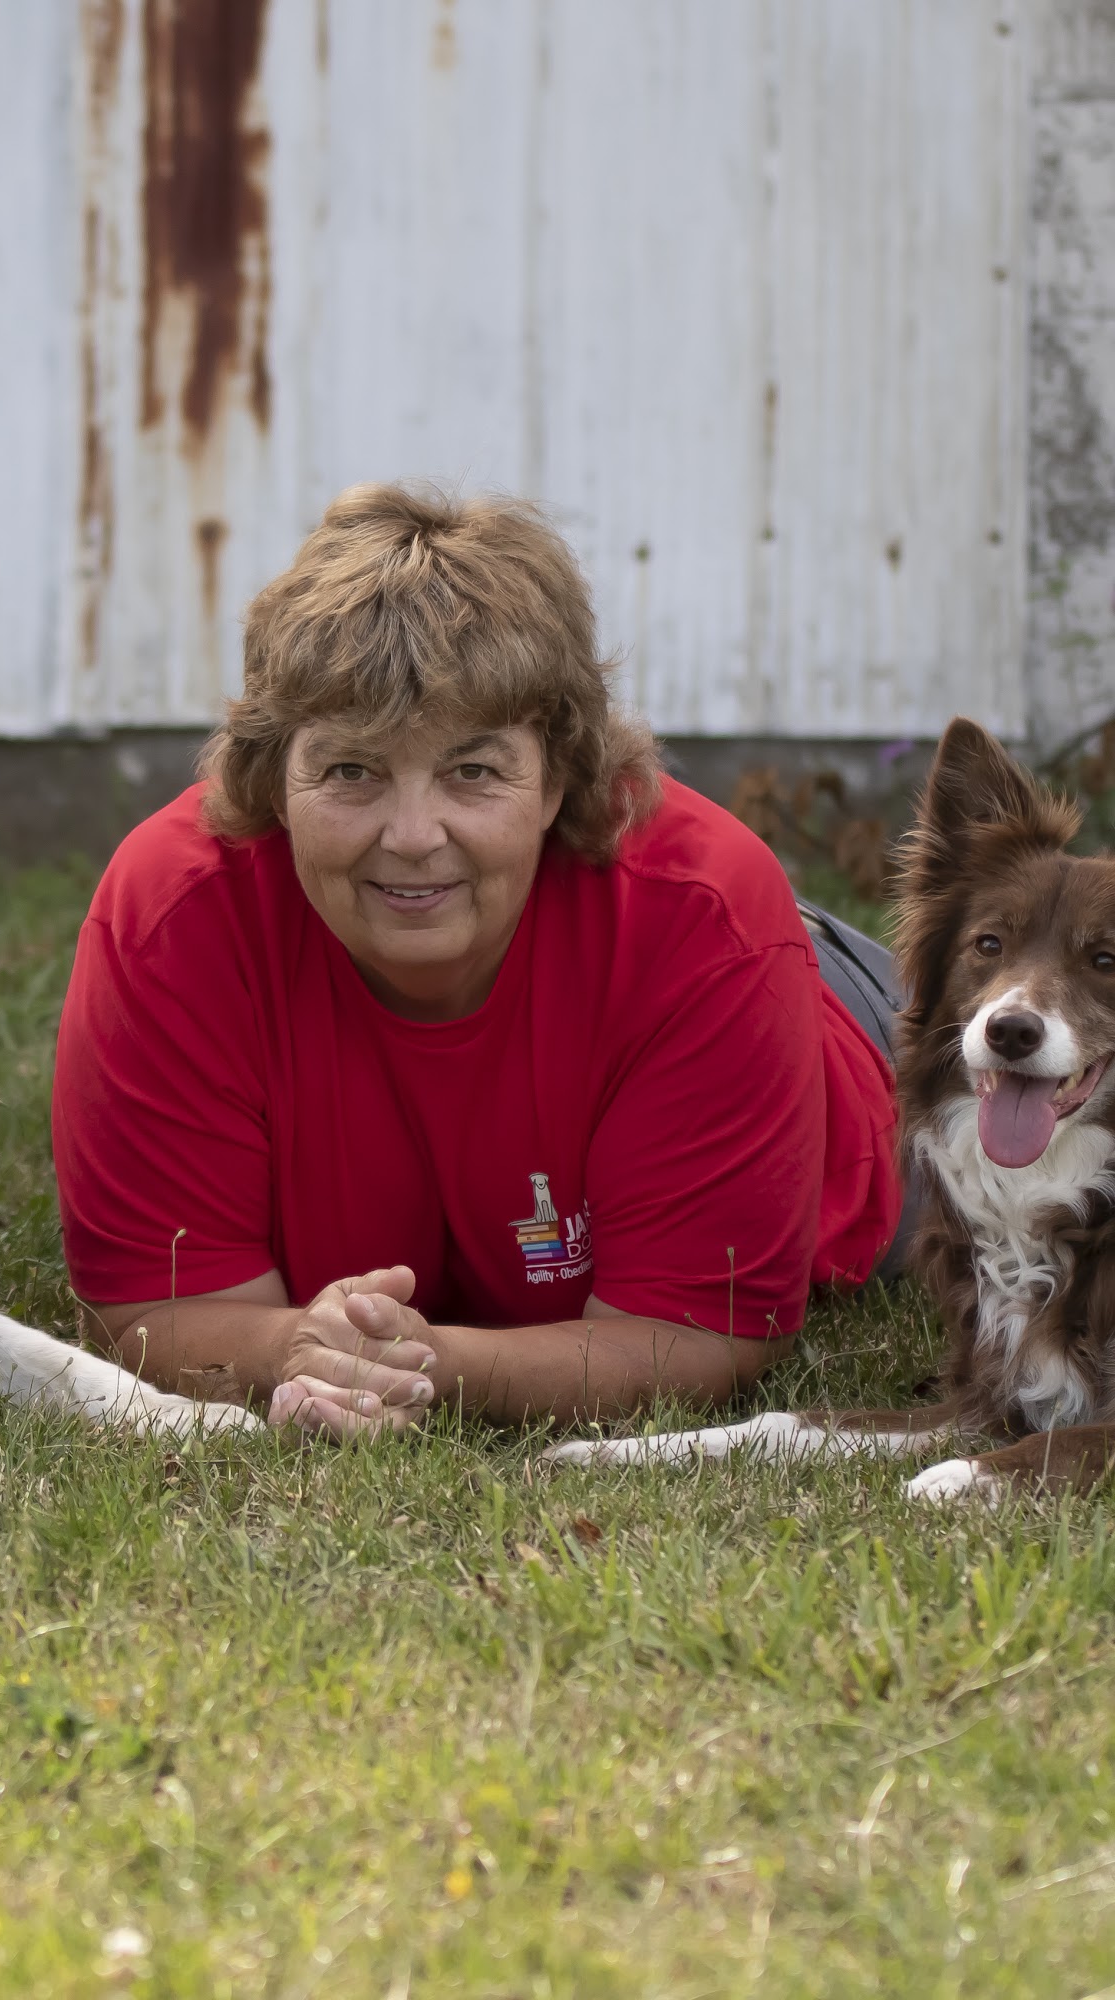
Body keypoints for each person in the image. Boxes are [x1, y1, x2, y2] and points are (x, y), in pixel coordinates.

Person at [51, 484, 902, 1438]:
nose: (413, 836)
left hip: (832, 1018)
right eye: (351, 771)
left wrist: (426, 1365)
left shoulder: (709, 925)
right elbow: (155, 1308)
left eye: (474, 771)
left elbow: (692, 1333)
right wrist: (298, 1350)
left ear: (562, 781)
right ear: (272, 781)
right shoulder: (173, 915)